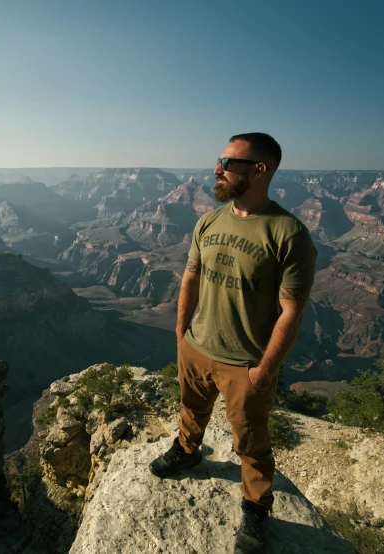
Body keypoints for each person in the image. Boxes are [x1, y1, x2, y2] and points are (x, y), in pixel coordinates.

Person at [149, 132, 317, 553]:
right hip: (196, 346)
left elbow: (292, 311)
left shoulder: (288, 233)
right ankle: (188, 451)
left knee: (251, 441)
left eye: (229, 161)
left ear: (259, 170)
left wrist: (265, 368)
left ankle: (256, 508)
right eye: (219, 160)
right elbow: (191, 276)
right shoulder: (209, 220)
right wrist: (181, 331)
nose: (217, 168)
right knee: (191, 407)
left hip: (245, 362)